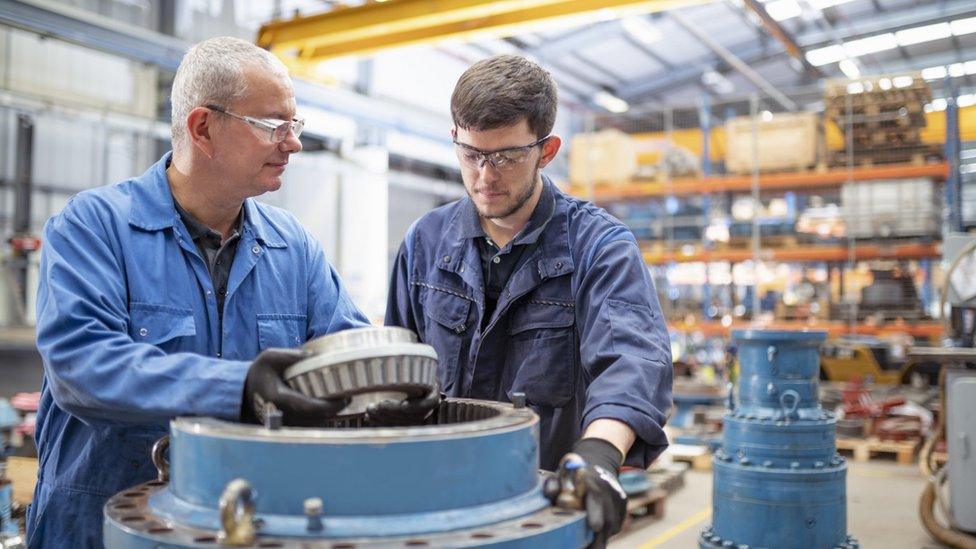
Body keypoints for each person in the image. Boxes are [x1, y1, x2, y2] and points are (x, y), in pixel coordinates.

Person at [27, 36, 370, 548]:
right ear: (203, 128)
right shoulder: (94, 228)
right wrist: (245, 388)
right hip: (100, 531)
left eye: (294, 125)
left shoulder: (292, 249)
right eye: (274, 125)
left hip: (238, 527)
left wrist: (387, 380)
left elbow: (348, 355)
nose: (292, 142)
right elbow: (83, 367)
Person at [385, 54, 672, 546]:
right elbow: (395, 366)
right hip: (435, 510)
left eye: (506, 157)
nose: (484, 177)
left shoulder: (599, 248)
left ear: (547, 150)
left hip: (545, 513)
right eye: (471, 154)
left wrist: (599, 458)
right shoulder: (424, 244)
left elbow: (632, 361)